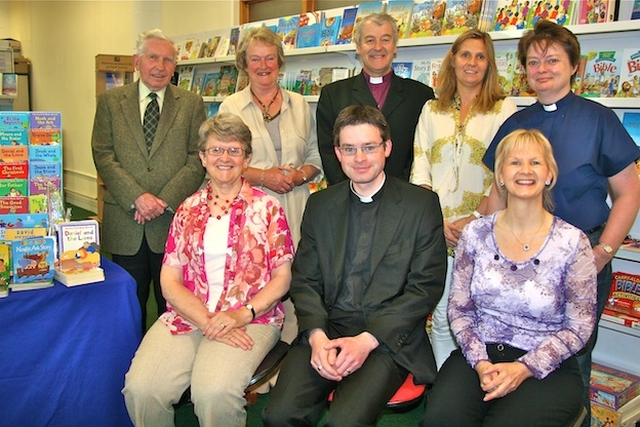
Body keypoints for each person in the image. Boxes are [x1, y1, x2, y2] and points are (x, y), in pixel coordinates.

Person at [482, 20, 640, 424]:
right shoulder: (516, 124)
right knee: (518, 347)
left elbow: (629, 193)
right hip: (520, 259)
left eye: (553, 59)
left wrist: (604, 251)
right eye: (533, 62)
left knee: (574, 354)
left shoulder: (599, 120)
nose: (542, 68)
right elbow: (497, 194)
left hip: (582, 258)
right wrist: (479, 239)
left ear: (575, 66)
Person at [262, 105, 447, 427]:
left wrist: (367, 340)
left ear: (387, 148)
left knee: (345, 422)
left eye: (369, 147)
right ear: (337, 153)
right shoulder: (320, 205)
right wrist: (317, 336)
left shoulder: (421, 205)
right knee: (279, 416)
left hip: (386, 338)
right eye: (349, 149)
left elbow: (425, 287)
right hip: (327, 328)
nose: (359, 158)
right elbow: (304, 279)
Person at [122, 113, 295, 427]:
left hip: (251, 318)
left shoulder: (268, 208)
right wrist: (206, 320)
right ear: (202, 157)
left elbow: (283, 277)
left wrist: (240, 315)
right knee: (141, 389)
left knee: (213, 391)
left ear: (247, 157)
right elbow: (170, 279)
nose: (224, 158)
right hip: (189, 315)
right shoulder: (188, 209)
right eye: (216, 150)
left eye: (234, 150)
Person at [422, 129, 597, 427]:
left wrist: (524, 368)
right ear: (500, 175)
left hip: (546, 366)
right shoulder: (475, 235)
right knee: (440, 420)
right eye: (514, 162)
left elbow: (579, 327)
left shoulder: (573, 242)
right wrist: (481, 364)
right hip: (479, 354)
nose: (525, 171)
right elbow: (460, 310)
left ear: (549, 174)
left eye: (535, 163)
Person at [410, 29, 517, 369]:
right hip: (436, 230)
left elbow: (505, 172)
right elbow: (420, 163)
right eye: (465, 55)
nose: (472, 62)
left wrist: (473, 219)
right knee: (443, 316)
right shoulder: (431, 109)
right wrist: (432, 221)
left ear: (489, 65)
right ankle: (446, 388)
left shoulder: (504, 108)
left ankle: (479, 388)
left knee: (482, 318)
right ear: (452, 60)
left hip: (485, 229)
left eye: (480, 56)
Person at [92, 29, 206, 332]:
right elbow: (103, 154)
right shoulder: (110, 102)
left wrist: (163, 201)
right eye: (153, 57)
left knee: (175, 302)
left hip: (172, 221)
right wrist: (138, 197)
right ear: (137, 62)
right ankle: (130, 364)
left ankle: (167, 367)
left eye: (168, 60)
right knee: (128, 302)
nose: (160, 66)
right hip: (126, 218)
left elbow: (198, 157)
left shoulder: (192, 103)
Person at [219, 26, 322, 248]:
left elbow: (315, 154)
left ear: (279, 62)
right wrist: (265, 177)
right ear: (244, 65)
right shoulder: (231, 107)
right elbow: (224, 164)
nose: (263, 66)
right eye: (255, 59)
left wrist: (300, 176)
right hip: (250, 209)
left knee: (297, 275)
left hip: (297, 210)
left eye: (270, 58)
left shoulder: (300, 104)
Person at [317, 13, 435, 185]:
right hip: (351, 194)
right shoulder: (333, 94)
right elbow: (328, 151)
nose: (378, 47)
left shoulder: (420, 95)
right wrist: (346, 190)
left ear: (395, 46)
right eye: (370, 40)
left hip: (405, 196)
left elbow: (423, 152)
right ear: (358, 47)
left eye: (385, 40)